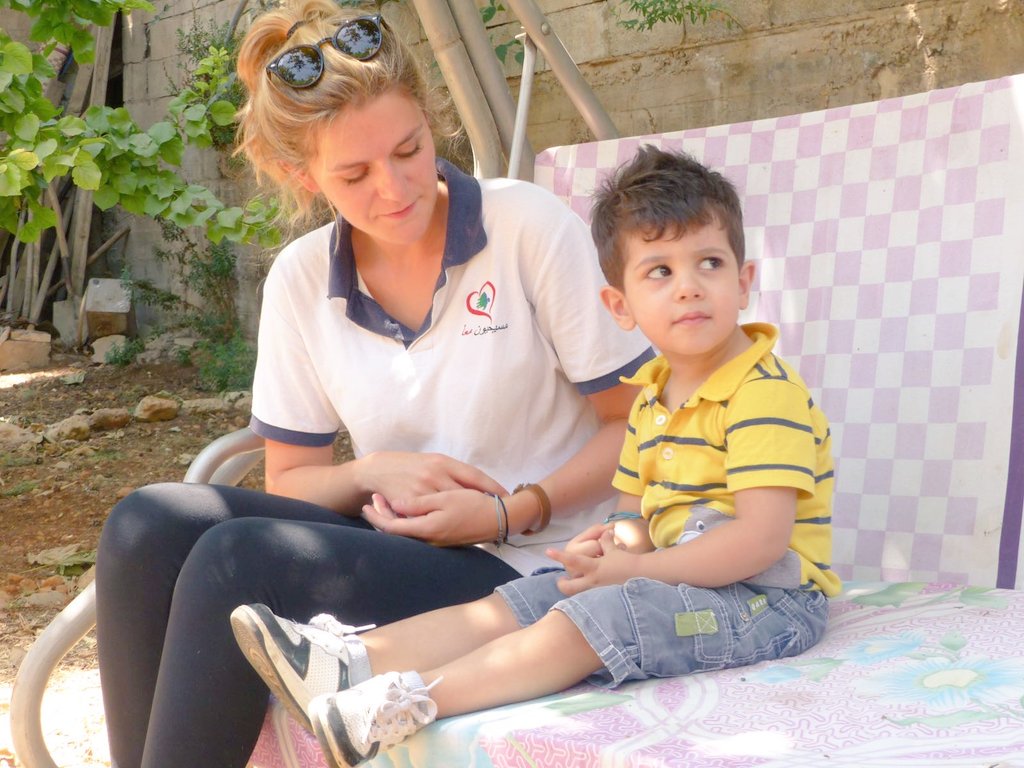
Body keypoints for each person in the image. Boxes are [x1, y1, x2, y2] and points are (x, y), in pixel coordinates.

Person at [92, 2, 652, 766]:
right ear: (304, 176)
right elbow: (293, 482)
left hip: (536, 562)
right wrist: (371, 472)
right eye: (354, 174)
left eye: (409, 150)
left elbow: (641, 423)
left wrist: (507, 510)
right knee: (146, 524)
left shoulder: (527, 227)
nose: (394, 188)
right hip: (401, 551)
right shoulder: (300, 280)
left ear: (429, 120)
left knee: (237, 561)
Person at [230, 145, 842, 768]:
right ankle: (345, 663)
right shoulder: (653, 396)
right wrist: (610, 547)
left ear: (743, 282)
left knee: (605, 613)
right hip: (683, 581)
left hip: (767, 602)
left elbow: (762, 541)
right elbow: (634, 516)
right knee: (533, 596)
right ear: (620, 307)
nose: (688, 287)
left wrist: (637, 572)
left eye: (709, 263)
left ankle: (410, 701)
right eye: (660, 271)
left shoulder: (761, 392)